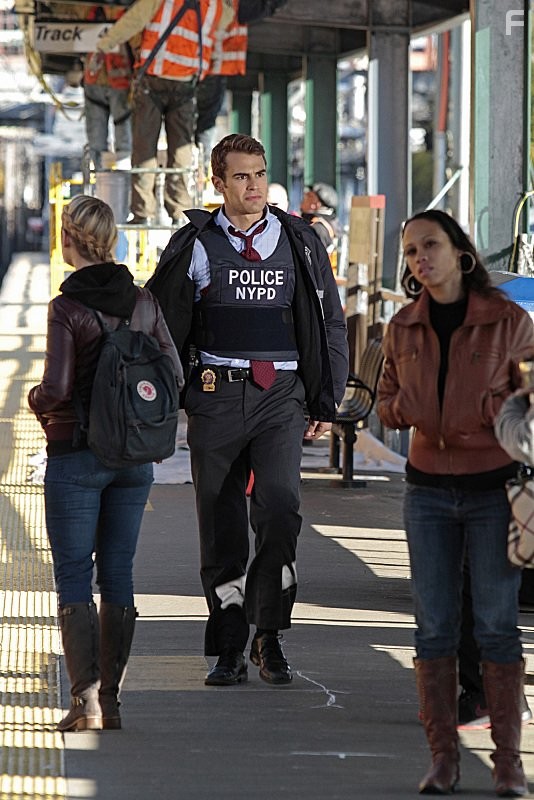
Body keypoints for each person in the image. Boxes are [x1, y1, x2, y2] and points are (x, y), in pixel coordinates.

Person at [146, 133, 348, 687]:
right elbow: (161, 326)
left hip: (282, 396)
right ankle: (230, 644)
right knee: (222, 524)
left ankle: (270, 633)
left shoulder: (300, 240)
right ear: (218, 184)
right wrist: (173, 398)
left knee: (281, 511)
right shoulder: (196, 245)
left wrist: (325, 395)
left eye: (259, 173)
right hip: (216, 395)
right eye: (240, 176)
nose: (253, 185)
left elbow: (329, 319)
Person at [377, 209, 534, 796]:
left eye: (432, 246)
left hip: (493, 488)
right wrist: (406, 410)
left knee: (496, 625)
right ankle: (443, 759)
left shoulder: (507, 321)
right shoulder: (404, 326)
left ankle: (509, 763)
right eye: (412, 250)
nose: (422, 258)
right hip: (426, 490)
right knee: (433, 627)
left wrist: (501, 416)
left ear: (461, 252)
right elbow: (387, 399)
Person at [28, 195, 183, 732]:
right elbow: (173, 373)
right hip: (135, 457)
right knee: (118, 571)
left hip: (77, 455)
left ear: (67, 238)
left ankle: (86, 702)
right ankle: (112, 702)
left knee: (74, 572)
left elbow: (57, 389)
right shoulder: (142, 302)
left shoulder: (66, 307)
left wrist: (32, 400)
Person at [94, 0, 231, 225]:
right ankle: (180, 211)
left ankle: (142, 212)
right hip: (186, 85)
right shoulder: (216, 7)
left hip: (153, 81)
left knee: (144, 149)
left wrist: (103, 45)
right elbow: (224, 23)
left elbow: (132, 21)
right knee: (181, 152)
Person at [195, 0, 247, 174]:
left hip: (194, 68)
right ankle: (200, 170)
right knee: (205, 123)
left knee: (192, 123)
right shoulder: (226, 6)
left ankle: (199, 168)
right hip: (213, 67)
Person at [83, 5, 133, 169]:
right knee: (96, 141)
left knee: (124, 140)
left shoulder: (127, 15)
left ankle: (124, 177)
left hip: (119, 83)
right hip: (97, 82)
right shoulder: (93, 12)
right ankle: (98, 177)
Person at [300, 182, 340, 269]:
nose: (303, 198)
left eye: (308, 196)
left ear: (316, 204)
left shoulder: (318, 228)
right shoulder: (330, 223)